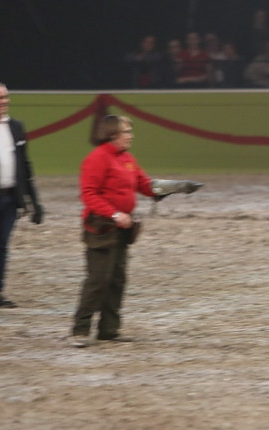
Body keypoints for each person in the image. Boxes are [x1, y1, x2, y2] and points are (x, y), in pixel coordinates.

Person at [71, 115, 202, 347]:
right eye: (126, 131)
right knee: (98, 280)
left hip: (123, 229)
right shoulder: (97, 159)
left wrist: (177, 186)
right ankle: (80, 331)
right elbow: (89, 195)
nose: (131, 135)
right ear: (112, 134)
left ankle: (109, 330)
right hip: (101, 229)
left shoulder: (127, 159)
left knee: (117, 280)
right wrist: (114, 214)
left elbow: (146, 185)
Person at [0, 83, 43, 309]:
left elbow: (24, 165)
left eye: (5, 97)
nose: (3, 101)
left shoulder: (16, 127)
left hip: (10, 198)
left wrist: (34, 201)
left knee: (2, 245)